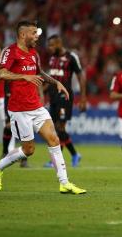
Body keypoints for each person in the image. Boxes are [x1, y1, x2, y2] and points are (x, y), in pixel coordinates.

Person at [0, 20, 86, 194]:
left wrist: (56, 82)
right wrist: (23, 77)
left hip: (36, 106)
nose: (37, 36)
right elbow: (1, 72)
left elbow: (39, 72)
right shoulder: (10, 51)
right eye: (33, 33)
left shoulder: (34, 53)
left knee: (54, 139)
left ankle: (64, 182)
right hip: (19, 109)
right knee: (28, 150)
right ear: (22, 34)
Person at [43, 34, 86, 168]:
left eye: (52, 45)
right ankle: (74, 155)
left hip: (65, 96)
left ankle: (58, 160)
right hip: (52, 96)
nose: (49, 48)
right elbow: (51, 79)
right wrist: (41, 90)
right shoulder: (52, 59)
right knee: (56, 129)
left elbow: (81, 76)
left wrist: (83, 98)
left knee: (60, 127)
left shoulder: (71, 57)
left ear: (59, 43)